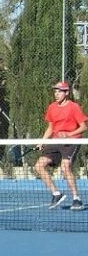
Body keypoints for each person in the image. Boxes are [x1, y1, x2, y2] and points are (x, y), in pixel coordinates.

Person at [34, 81, 88, 210]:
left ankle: (77, 199)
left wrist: (69, 135)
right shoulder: (52, 107)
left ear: (67, 93)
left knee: (65, 168)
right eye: (55, 91)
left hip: (72, 142)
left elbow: (84, 127)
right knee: (38, 166)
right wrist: (42, 141)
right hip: (55, 142)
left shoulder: (74, 107)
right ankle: (56, 194)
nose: (56, 94)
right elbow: (50, 128)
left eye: (59, 91)